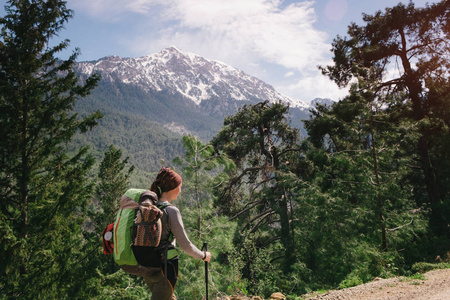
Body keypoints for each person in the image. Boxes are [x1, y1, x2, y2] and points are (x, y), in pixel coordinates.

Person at [140, 166, 211, 300]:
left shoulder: (150, 208)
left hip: (148, 265)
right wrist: (203, 255)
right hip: (166, 267)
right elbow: (185, 244)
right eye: (180, 186)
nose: (180, 190)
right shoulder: (171, 211)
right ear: (173, 188)